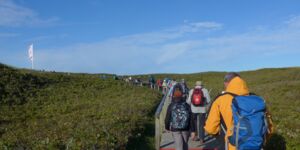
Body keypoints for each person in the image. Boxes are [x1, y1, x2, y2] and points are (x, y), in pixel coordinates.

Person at [204, 72, 274, 150]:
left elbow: (210, 129)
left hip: (232, 146)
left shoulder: (220, 100)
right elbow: (269, 129)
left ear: (227, 83)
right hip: (257, 146)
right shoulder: (257, 100)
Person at [165, 84, 195, 150]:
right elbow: (191, 119)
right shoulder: (187, 105)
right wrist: (193, 130)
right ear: (182, 95)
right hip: (186, 128)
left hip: (175, 129)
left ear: (173, 95)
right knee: (185, 145)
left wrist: (167, 127)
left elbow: (167, 118)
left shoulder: (171, 105)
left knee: (179, 146)